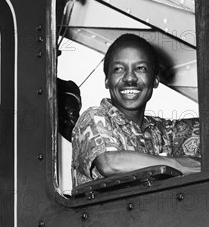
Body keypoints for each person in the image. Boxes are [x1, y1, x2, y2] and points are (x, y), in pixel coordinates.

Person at [72, 34, 200, 187]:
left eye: (140, 68)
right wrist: (180, 165)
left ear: (155, 80)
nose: (130, 78)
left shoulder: (163, 132)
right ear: (107, 80)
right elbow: (110, 163)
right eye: (119, 69)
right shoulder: (95, 117)